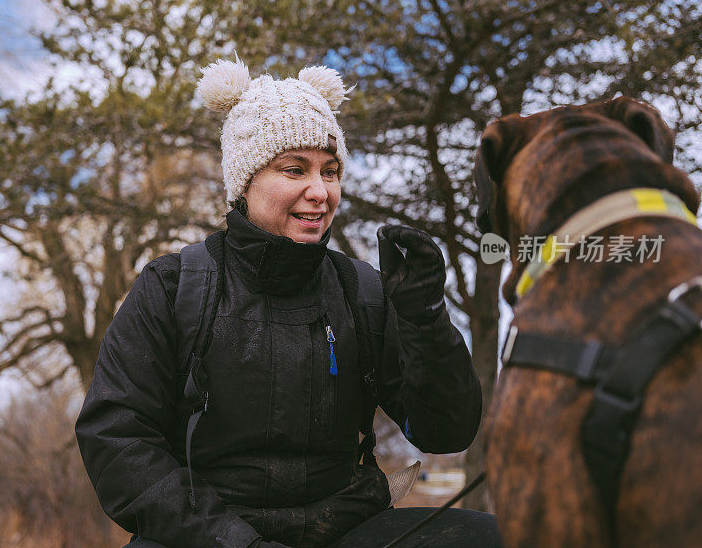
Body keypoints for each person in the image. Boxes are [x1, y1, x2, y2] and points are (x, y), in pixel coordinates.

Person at [75, 57, 500, 548]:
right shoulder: (173, 287)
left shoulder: (362, 292)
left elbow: (446, 433)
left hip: (344, 529)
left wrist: (424, 318)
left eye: (331, 171)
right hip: (202, 534)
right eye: (294, 169)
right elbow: (116, 441)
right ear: (245, 181)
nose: (320, 193)